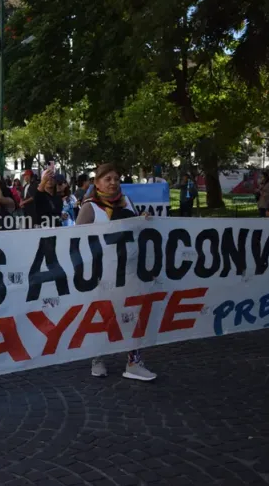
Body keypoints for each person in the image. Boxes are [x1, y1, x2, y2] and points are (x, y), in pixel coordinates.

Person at [77, 163, 156, 382]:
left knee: (134, 315)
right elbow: (76, 240)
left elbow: (135, 230)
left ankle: (134, 362)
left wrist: (144, 219)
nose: (113, 183)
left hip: (130, 271)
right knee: (105, 317)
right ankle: (97, 357)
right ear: (97, 182)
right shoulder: (90, 207)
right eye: (107, 179)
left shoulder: (127, 201)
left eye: (116, 179)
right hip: (103, 275)